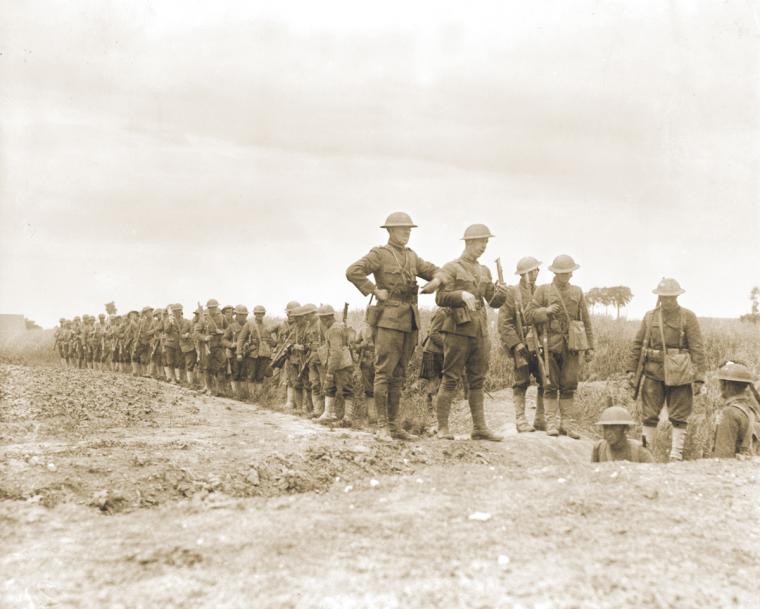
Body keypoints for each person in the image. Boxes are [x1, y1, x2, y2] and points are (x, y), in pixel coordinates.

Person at [346, 211, 440, 440]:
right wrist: (374, 290)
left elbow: (435, 271)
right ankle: (381, 427)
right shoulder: (380, 254)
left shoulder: (412, 256)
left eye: (409, 229)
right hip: (388, 321)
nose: (407, 232)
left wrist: (435, 282)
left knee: (399, 375)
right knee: (383, 373)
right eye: (401, 229)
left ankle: (394, 425)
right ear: (389, 231)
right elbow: (353, 271)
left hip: (410, 321)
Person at [425, 224, 508, 441]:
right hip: (457, 331)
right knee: (451, 378)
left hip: (480, 331)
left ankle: (479, 428)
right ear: (469, 242)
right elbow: (439, 298)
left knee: (477, 381)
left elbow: (493, 301)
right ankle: (443, 428)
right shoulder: (452, 267)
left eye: (486, 243)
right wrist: (460, 294)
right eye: (481, 242)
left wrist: (501, 294)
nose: (484, 247)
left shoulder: (484, 271)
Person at [627, 278, 705, 461]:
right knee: (649, 414)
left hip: (680, 373)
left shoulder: (688, 317)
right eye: (664, 297)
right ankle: (647, 454)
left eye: (671, 297)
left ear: (677, 296)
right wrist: (631, 370)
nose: (667, 301)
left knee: (679, 415)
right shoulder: (650, 316)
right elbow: (637, 344)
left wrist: (699, 377)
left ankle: (676, 455)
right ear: (659, 297)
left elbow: (697, 348)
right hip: (653, 371)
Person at [525, 255, 594, 440]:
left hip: (571, 345)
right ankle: (551, 423)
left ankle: (567, 424)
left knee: (569, 385)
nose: (566, 276)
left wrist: (590, 346)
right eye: (562, 272)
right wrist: (545, 312)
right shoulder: (543, 291)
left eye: (569, 272)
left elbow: (586, 321)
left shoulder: (577, 292)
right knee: (549, 385)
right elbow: (528, 315)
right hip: (549, 346)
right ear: (555, 272)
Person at [498, 256, 545, 432]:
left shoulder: (541, 291)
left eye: (537, 270)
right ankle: (520, 420)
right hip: (521, 345)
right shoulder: (512, 293)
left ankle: (540, 419)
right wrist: (516, 344)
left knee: (544, 380)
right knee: (521, 382)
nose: (536, 274)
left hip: (540, 343)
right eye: (533, 271)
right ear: (524, 273)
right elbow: (504, 323)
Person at [316, 305, 357, 426]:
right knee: (330, 387)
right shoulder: (335, 328)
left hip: (342, 364)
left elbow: (336, 352)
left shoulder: (334, 330)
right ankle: (329, 414)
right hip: (337, 363)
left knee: (347, 389)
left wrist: (330, 371)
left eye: (322, 319)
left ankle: (348, 417)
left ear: (326, 318)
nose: (321, 322)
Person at [712, 361, 760, 459]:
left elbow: (723, 456)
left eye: (721, 383)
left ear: (726, 385)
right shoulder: (752, 411)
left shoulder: (729, 413)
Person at [237, 305, 276, 402]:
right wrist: (239, 352)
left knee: (260, 376)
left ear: (264, 314)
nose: (259, 315)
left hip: (265, 354)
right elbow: (241, 339)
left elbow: (272, 341)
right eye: (257, 313)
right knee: (251, 375)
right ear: (254, 314)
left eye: (261, 313)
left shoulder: (267, 325)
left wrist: (273, 343)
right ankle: (251, 396)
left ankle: (258, 397)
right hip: (252, 353)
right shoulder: (249, 324)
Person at [224, 305, 249, 399]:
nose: (241, 317)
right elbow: (224, 340)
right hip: (234, 353)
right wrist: (231, 345)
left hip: (247, 353)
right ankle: (235, 394)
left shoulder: (250, 325)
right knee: (235, 373)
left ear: (246, 315)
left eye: (243, 315)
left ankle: (242, 394)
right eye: (239, 315)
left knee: (244, 374)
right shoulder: (232, 327)